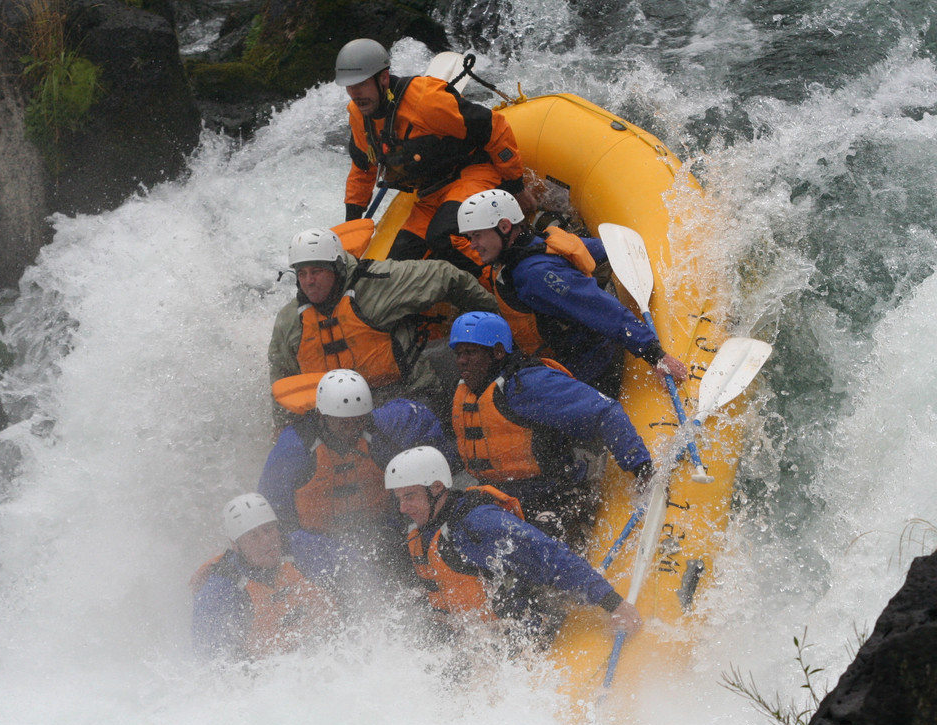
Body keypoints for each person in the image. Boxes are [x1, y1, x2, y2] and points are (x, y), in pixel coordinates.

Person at [383, 445, 642, 649]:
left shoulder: (480, 524)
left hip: (517, 636)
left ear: (437, 488)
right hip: (471, 642)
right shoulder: (423, 530)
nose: (403, 508)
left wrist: (615, 605)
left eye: (410, 496)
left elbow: (551, 557)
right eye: (400, 499)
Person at [447, 311, 654, 550]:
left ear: (498, 352)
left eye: (471, 352)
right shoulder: (466, 391)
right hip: (500, 496)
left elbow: (606, 412)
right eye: (459, 354)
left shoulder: (530, 385)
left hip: (553, 494)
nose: (462, 361)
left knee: (535, 551)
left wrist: (642, 469)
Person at [456, 188, 689, 397]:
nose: (472, 244)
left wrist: (655, 355)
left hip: (585, 371)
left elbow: (600, 309)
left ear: (505, 227)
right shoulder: (536, 244)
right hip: (569, 356)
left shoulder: (535, 275)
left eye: (477, 235)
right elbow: (603, 249)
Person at [334, 38, 536, 275]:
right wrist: (352, 223)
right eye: (350, 87)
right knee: (397, 266)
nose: (355, 94)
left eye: (361, 84)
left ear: (384, 78)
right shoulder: (359, 116)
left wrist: (516, 186)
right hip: (430, 195)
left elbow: (493, 127)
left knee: (442, 235)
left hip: (471, 174)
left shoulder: (425, 100)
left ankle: (500, 280)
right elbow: (362, 169)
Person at [269, 227, 498, 419]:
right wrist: (283, 428)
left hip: (404, 397)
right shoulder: (289, 322)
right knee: (291, 445)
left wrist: (494, 316)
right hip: (339, 420)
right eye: (302, 274)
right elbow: (283, 381)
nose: (309, 281)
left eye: (316, 271)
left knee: (387, 428)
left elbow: (446, 276)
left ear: (336, 268)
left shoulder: (378, 283)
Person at [258, 369, 458, 585]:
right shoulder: (293, 448)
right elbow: (270, 512)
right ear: (322, 417)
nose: (352, 430)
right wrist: (313, 548)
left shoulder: (381, 426)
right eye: (343, 423)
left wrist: (440, 463)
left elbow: (421, 418)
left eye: (358, 422)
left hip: (384, 531)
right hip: (317, 545)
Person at [190, 493, 365, 660]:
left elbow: (359, 569)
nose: (266, 541)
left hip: (335, 653)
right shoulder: (220, 591)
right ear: (236, 545)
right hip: (273, 674)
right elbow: (210, 658)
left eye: (268, 530)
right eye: (253, 536)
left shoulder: (305, 548)